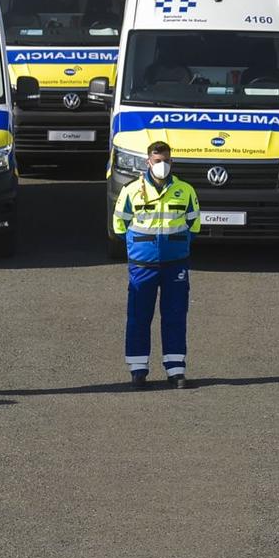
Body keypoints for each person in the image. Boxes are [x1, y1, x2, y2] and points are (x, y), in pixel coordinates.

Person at [111, 140, 201, 388]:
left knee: (175, 316)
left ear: (172, 162)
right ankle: (138, 370)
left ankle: (176, 370)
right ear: (148, 162)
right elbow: (119, 226)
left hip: (175, 264)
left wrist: (176, 245)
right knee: (139, 317)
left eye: (166, 161)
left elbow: (194, 225)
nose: (162, 165)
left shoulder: (186, 191)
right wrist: (141, 247)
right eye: (157, 161)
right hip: (142, 265)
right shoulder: (131, 191)